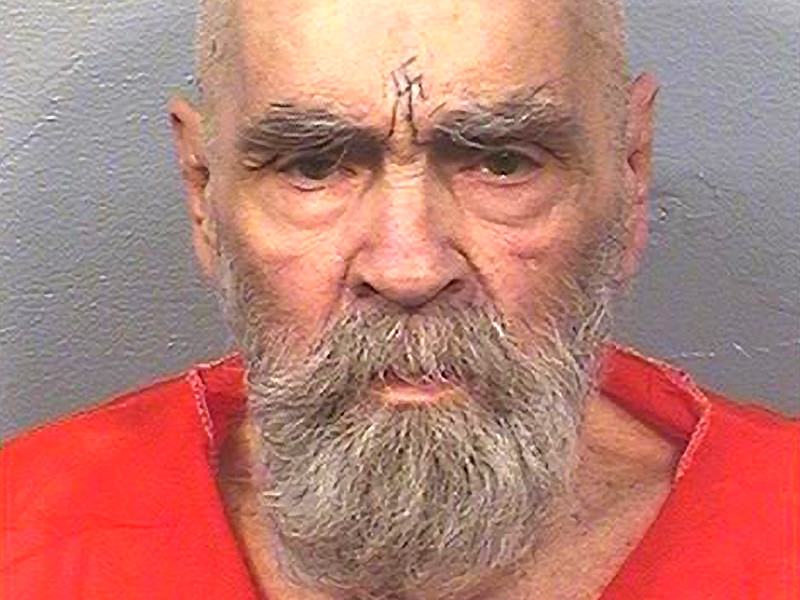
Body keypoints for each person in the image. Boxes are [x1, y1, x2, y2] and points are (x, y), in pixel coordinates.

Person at [2, 1, 797, 598]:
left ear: (629, 175)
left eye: (502, 162)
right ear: (203, 193)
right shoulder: (24, 538)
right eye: (313, 166)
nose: (409, 268)